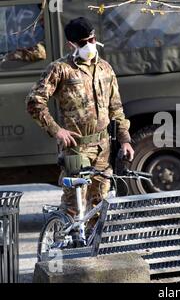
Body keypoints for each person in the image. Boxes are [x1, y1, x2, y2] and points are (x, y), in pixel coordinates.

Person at [25, 17, 134, 221]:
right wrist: (57, 130)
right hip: (76, 149)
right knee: (73, 209)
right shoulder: (60, 69)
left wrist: (125, 140)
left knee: (100, 205)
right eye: (83, 42)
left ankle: (95, 251)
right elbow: (34, 102)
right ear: (72, 44)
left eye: (92, 39)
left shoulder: (105, 68)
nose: (90, 45)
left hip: (103, 148)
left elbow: (116, 108)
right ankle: (62, 247)